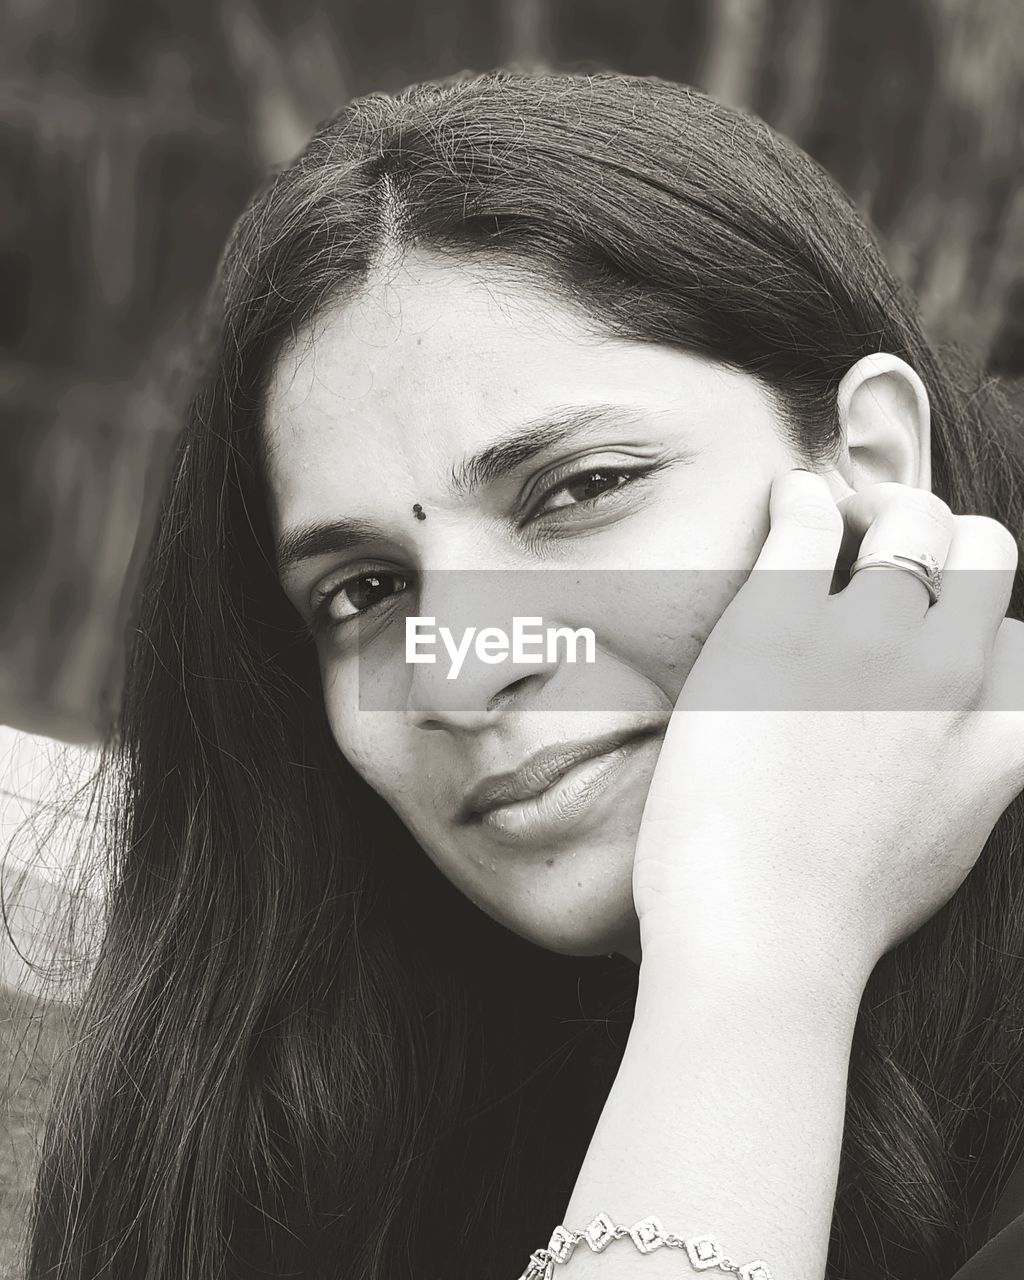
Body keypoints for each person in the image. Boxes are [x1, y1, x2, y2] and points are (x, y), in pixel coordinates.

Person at [19, 70, 1024, 1280]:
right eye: (367, 590)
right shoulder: (308, 1098)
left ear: (872, 460)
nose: (456, 667)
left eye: (579, 491)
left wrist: (759, 962)